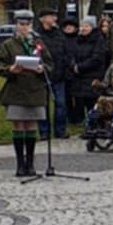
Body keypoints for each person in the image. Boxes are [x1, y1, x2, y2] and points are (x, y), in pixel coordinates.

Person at [0, 9, 53, 177]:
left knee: (31, 125)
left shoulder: (38, 43)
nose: (24, 27)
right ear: (16, 25)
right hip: (16, 89)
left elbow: (50, 64)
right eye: (21, 24)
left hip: (35, 89)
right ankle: (20, 164)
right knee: (19, 124)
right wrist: (11, 69)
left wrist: (43, 68)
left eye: (27, 24)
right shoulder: (9, 44)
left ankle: (30, 163)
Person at [34, 8, 70, 140]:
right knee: (43, 104)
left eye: (55, 16)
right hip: (42, 75)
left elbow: (65, 52)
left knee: (60, 104)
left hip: (59, 74)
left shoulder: (59, 34)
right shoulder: (36, 35)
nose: (54, 19)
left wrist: (66, 67)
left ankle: (60, 130)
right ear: (42, 19)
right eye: (51, 16)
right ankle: (44, 131)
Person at [70, 16, 107, 124]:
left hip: (92, 75)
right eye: (82, 26)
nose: (83, 28)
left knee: (92, 102)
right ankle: (82, 123)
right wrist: (73, 66)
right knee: (79, 102)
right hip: (78, 77)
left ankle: (96, 124)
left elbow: (97, 58)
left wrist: (80, 67)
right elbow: (71, 55)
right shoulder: (77, 40)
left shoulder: (99, 40)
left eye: (86, 26)